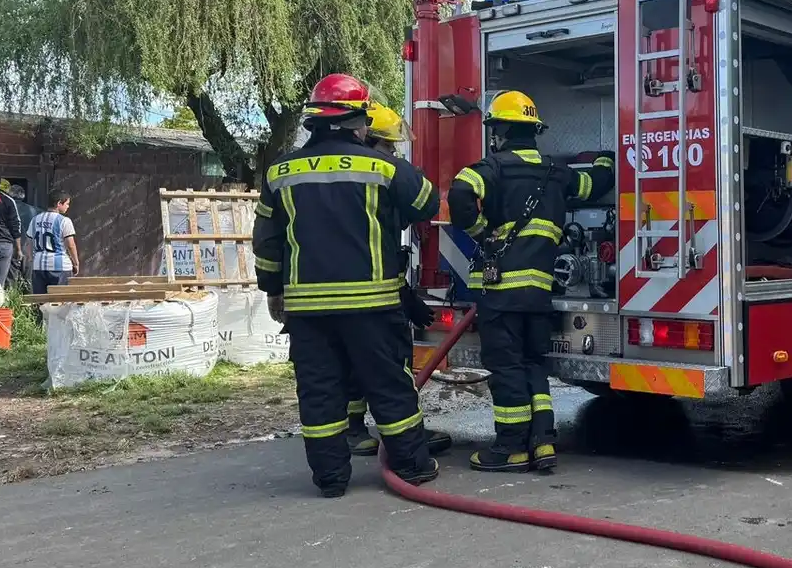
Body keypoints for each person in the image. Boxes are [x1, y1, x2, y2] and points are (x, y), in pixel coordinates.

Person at [252, 74, 444, 498]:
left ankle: (331, 479)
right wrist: (390, 164)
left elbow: (267, 241)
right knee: (388, 386)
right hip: (372, 304)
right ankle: (413, 466)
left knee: (320, 393)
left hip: (307, 310)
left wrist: (272, 290)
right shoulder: (379, 167)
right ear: (359, 123)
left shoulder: (280, 171)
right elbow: (427, 201)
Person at [447, 90, 614, 473]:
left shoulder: (489, 168)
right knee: (533, 364)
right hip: (539, 292)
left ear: (501, 129)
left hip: (501, 292)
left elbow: (459, 193)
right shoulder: (557, 173)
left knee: (506, 367)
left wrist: (481, 230)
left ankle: (510, 448)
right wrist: (607, 157)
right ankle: (542, 442)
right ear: (533, 130)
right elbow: (594, 185)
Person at [341, 101, 453, 461]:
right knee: (373, 365)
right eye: (389, 146)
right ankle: (360, 432)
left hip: (376, 287)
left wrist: (403, 294)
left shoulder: (367, 181)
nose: (392, 154)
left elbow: (380, 246)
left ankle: (395, 433)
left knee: (375, 363)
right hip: (360, 295)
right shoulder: (366, 178)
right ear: (366, 139)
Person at [27, 191, 79, 294]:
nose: (68, 207)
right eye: (67, 204)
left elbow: (29, 243)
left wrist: (31, 259)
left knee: (40, 301)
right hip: (59, 267)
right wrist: (76, 263)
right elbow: (70, 244)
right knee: (59, 301)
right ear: (59, 203)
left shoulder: (35, 219)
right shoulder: (64, 221)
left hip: (38, 266)